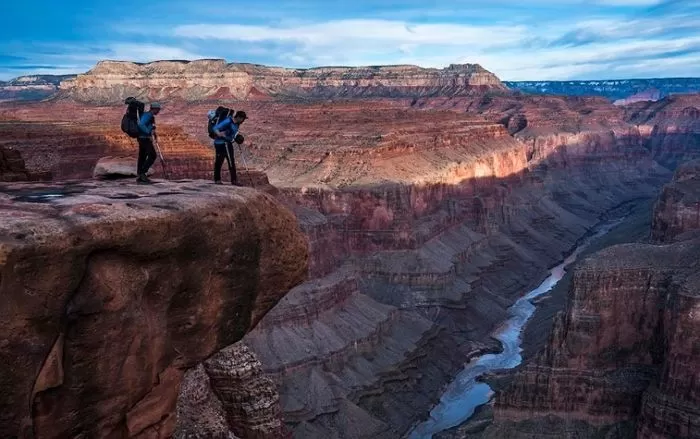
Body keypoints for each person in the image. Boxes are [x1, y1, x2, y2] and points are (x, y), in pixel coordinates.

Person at [213, 110, 247, 185]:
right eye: (243, 119)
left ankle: (234, 180)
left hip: (228, 143)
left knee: (231, 160)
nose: (243, 121)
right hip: (221, 143)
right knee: (219, 161)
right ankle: (218, 180)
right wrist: (219, 134)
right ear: (239, 117)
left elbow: (233, 133)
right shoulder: (228, 121)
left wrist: (237, 137)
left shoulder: (237, 124)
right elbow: (215, 128)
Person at [136, 102, 162, 183]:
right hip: (144, 138)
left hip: (142, 138)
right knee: (152, 155)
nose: (159, 111)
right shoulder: (148, 115)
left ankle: (140, 176)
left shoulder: (150, 116)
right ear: (154, 109)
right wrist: (148, 132)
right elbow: (141, 124)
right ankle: (143, 173)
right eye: (158, 109)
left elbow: (150, 126)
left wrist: (154, 134)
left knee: (142, 156)